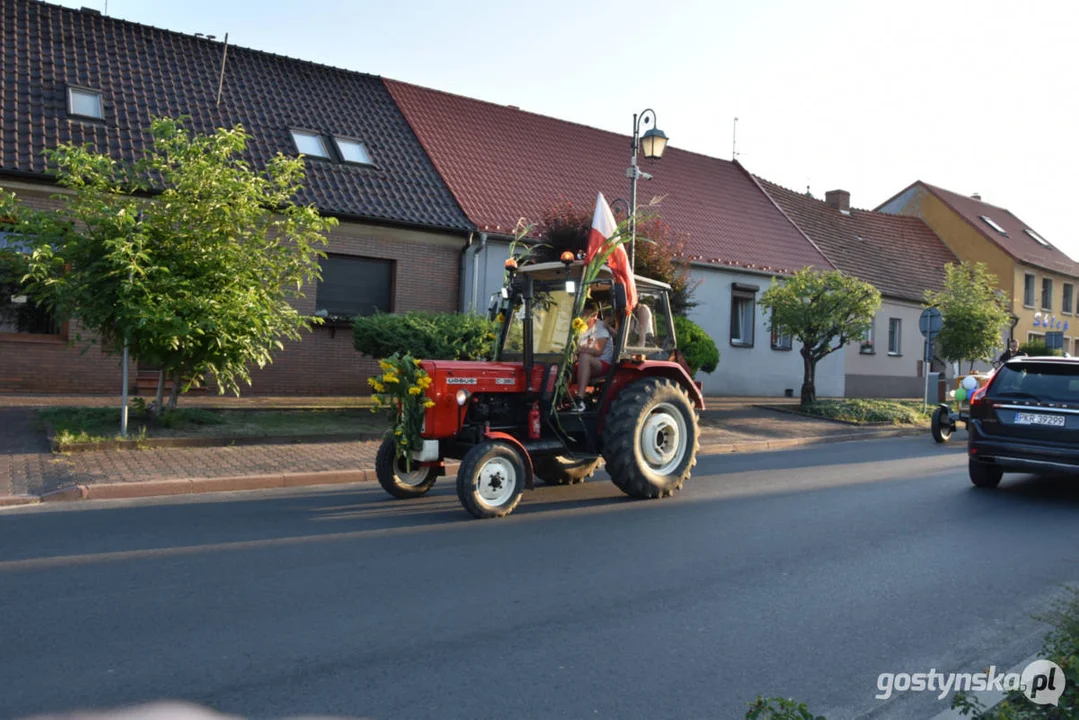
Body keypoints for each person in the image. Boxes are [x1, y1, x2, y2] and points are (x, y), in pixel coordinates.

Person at [572, 301, 614, 411]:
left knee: (585, 357)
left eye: (586, 315)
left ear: (595, 315)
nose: (583, 318)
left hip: (601, 364)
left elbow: (597, 351)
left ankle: (580, 400)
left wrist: (576, 349)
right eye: (582, 314)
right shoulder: (579, 326)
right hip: (582, 362)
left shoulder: (600, 327)